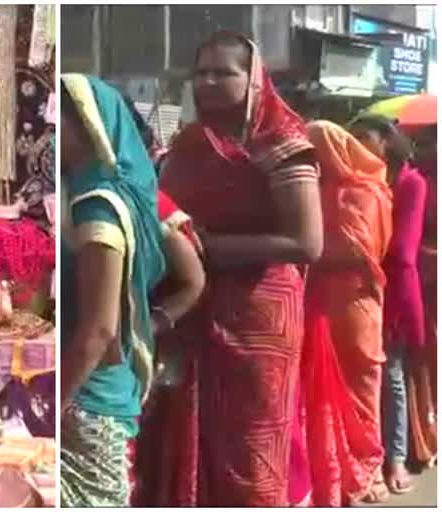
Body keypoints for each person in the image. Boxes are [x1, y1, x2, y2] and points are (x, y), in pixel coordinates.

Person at [156, 31, 323, 506]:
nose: (207, 81)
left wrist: (204, 248)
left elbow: (306, 243)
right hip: (193, 303)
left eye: (223, 72)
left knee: (251, 443)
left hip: (258, 314)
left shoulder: (282, 143)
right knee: (194, 431)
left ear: (253, 79)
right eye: (200, 72)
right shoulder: (189, 143)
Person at [59, 74, 203, 507]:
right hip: (108, 382)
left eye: (57, 120)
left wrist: (55, 408)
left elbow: (98, 332)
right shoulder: (119, 195)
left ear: (87, 124)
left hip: (88, 395)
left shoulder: (98, 206)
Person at [304, 120, 393, 505]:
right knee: (336, 389)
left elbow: (362, 253)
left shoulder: (354, 193)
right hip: (338, 301)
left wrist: (312, 251)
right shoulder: (349, 191)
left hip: (345, 301)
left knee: (350, 388)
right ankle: (346, 474)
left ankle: (355, 473)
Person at [350, 115, 427, 494]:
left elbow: (403, 252)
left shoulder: (410, 183)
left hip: (394, 288)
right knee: (363, 377)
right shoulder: (359, 180)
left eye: (366, 138)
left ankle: (395, 458)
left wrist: (361, 254)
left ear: (387, 141)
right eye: (355, 139)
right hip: (360, 288)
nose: (360, 145)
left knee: (391, 374)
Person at [407, 124, 437, 469]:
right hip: (420, 282)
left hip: (427, 277)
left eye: (428, 144)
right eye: (419, 144)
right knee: (423, 359)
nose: (421, 150)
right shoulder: (416, 180)